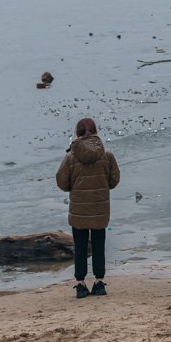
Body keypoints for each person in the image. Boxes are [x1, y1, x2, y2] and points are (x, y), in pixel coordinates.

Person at [56, 118, 120, 299]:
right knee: (99, 245)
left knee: (81, 246)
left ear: (77, 134)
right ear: (96, 132)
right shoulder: (107, 155)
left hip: (79, 210)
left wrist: (74, 189)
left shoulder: (70, 157)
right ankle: (99, 282)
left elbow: (62, 182)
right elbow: (114, 180)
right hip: (100, 208)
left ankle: (80, 284)